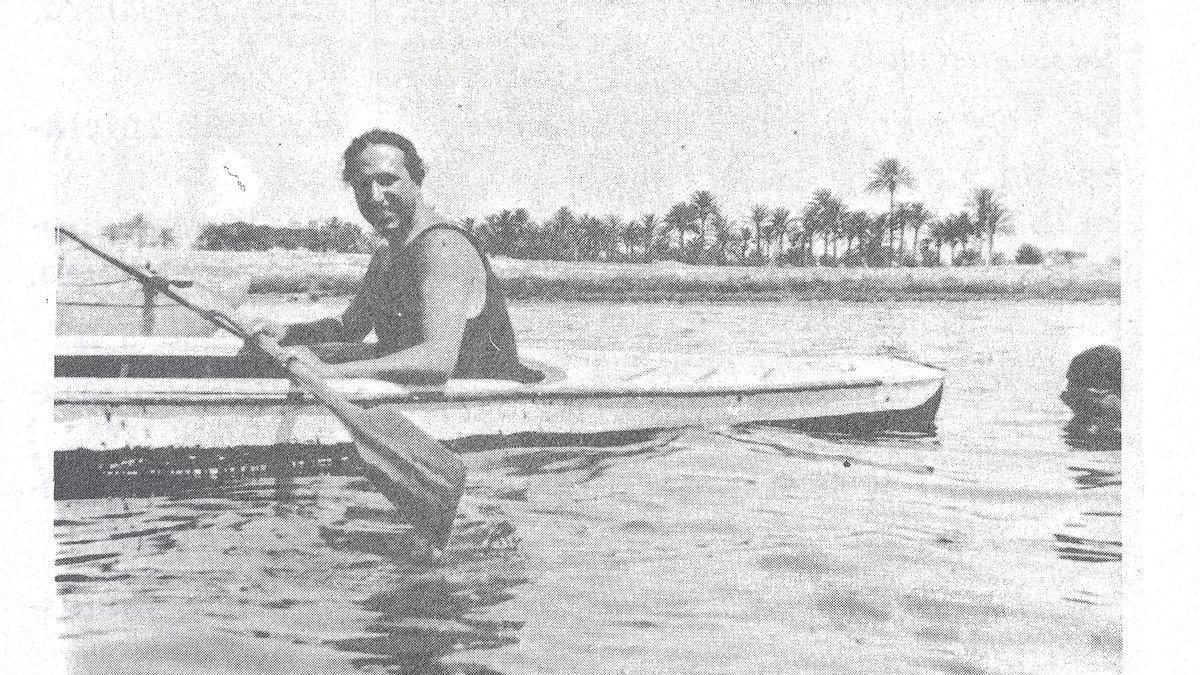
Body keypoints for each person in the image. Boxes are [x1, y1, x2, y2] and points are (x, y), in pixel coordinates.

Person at [253, 129, 542, 385]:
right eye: (362, 185)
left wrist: (330, 373)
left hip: (477, 393)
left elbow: (436, 361)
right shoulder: (386, 252)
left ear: (417, 181)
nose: (375, 196)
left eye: (387, 181)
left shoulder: (442, 247)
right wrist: (288, 333)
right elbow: (350, 328)